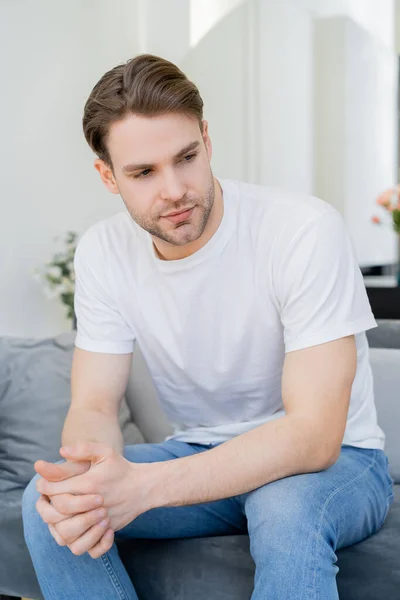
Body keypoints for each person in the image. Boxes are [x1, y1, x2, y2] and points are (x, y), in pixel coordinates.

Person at [22, 53, 394, 600]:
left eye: (187, 157)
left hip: (342, 462)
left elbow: (313, 438)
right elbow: (94, 406)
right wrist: (96, 477)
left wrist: (143, 488)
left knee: (284, 506)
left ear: (207, 140)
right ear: (107, 176)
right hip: (199, 452)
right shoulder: (103, 252)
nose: (174, 189)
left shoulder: (301, 230)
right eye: (144, 172)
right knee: (50, 501)